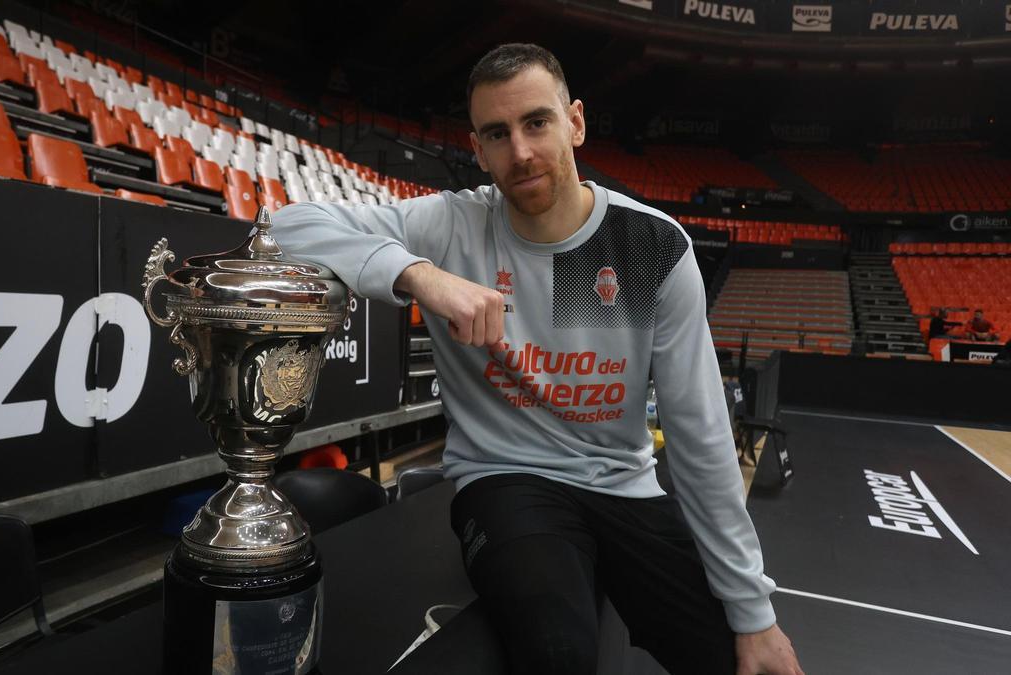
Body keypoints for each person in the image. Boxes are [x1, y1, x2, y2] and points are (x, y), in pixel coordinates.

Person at [271, 44, 801, 675]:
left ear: (575, 121)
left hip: (620, 482)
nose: (519, 151)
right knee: (557, 651)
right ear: (477, 149)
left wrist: (754, 612)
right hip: (507, 479)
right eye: (498, 134)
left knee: (728, 651)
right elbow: (286, 225)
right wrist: (417, 275)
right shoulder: (450, 226)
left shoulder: (647, 246)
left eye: (537, 123)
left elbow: (701, 436)